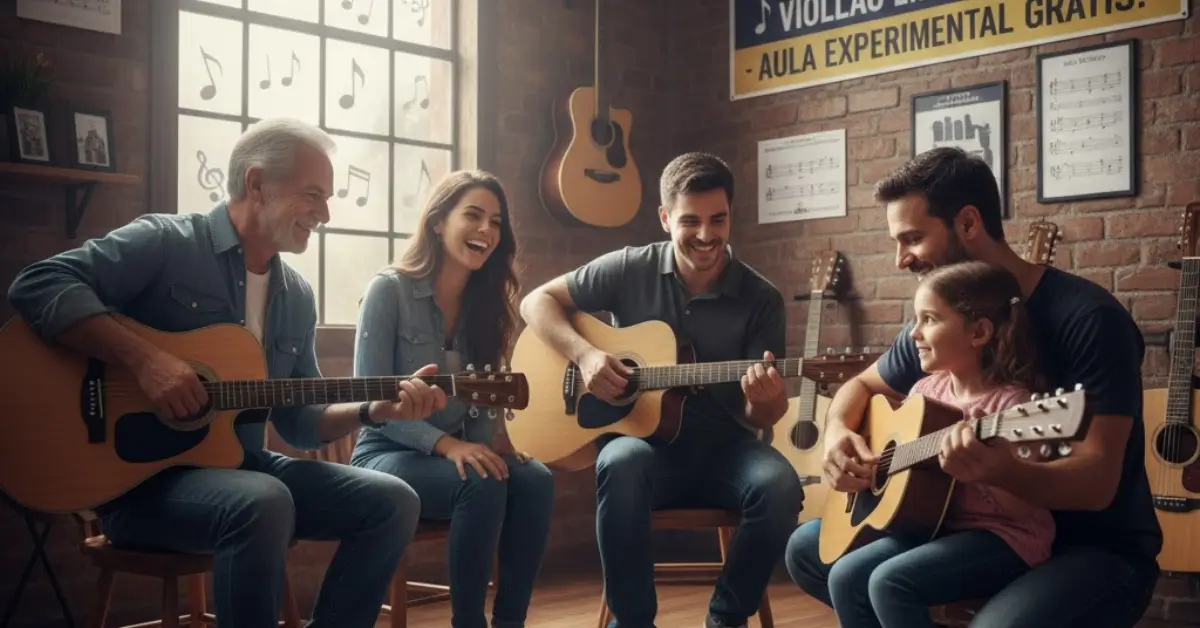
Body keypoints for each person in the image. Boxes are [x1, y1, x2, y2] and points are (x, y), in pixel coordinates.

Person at [6, 118, 446, 627]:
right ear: (256, 184)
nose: (324, 214)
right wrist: (145, 360)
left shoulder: (296, 296)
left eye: (326, 200)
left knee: (393, 502)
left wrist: (374, 409)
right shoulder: (167, 242)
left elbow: (300, 423)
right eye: (313, 195)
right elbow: (38, 283)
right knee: (263, 501)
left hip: (245, 470)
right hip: (138, 490)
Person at [785, 146, 1162, 627]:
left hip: (1091, 547)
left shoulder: (1090, 321)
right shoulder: (941, 321)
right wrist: (839, 435)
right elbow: (859, 385)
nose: (901, 260)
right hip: (957, 523)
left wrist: (1002, 470)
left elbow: (1097, 485)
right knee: (808, 548)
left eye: (913, 238)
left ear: (967, 223)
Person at [519, 152, 804, 628]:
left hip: (726, 451)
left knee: (780, 487)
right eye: (690, 221)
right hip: (642, 445)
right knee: (621, 461)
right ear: (665, 217)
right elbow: (535, 301)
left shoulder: (762, 298)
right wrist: (585, 355)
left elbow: (762, 417)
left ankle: (726, 618)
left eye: (718, 219)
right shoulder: (629, 268)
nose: (707, 235)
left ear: (731, 214)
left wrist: (767, 401)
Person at [349, 170, 555, 628]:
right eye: (473, 216)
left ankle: (510, 622)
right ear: (438, 222)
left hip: (454, 451)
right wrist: (448, 446)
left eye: (496, 222)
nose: (486, 230)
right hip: (385, 452)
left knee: (535, 479)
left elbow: (484, 401)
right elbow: (371, 403)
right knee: (479, 481)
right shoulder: (389, 290)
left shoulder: (489, 304)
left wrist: (493, 442)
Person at [803, 260, 1057, 627]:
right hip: (933, 527)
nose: (914, 334)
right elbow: (907, 468)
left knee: (887, 582)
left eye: (930, 320)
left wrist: (986, 470)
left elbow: (1022, 509)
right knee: (836, 570)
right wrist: (871, 466)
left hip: (1003, 537)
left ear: (979, 332)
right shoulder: (926, 391)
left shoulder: (1012, 408)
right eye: (915, 319)